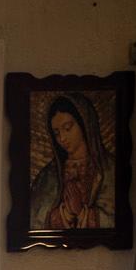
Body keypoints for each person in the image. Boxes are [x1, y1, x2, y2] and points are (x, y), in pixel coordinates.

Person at [28, 93, 113, 231]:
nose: (62, 138)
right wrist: (65, 214)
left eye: (67, 128)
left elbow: (114, 219)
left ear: (84, 124)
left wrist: (81, 212)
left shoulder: (110, 169)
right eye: (56, 133)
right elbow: (34, 219)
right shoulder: (49, 175)